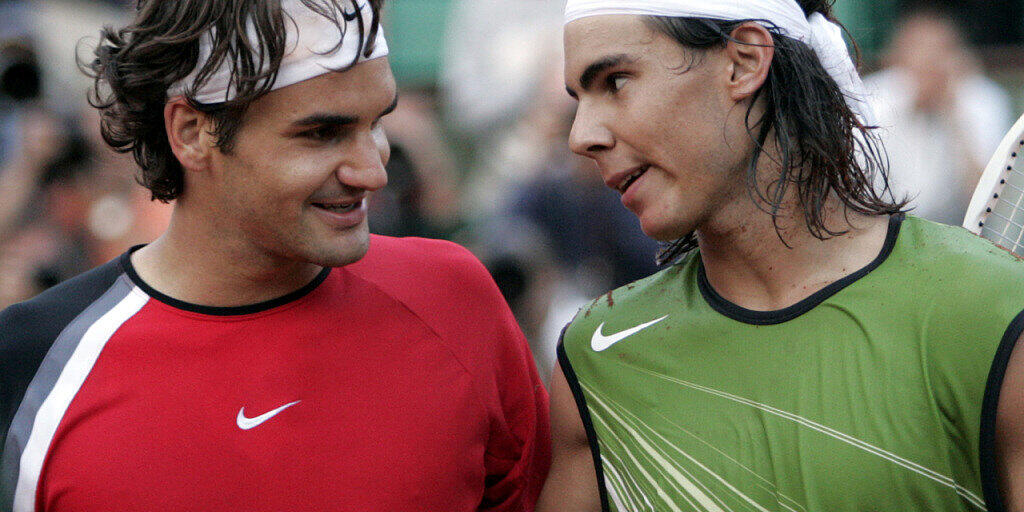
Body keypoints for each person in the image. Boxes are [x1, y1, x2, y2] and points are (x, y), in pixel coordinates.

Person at [0, 1, 549, 510]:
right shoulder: (32, 364)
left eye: (377, 122)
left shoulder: (453, 299)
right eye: (322, 133)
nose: (373, 171)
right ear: (191, 132)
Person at [538, 0, 1024, 511]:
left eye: (615, 81)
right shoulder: (596, 360)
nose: (581, 137)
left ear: (744, 62)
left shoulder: (988, 312)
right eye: (578, 99)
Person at [864, 7, 1012, 226]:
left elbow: (992, 205)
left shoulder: (983, 98)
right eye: (918, 50)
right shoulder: (871, 96)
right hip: (880, 228)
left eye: (940, 51)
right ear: (896, 57)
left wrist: (953, 116)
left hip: (957, 232)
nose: (929, 62)